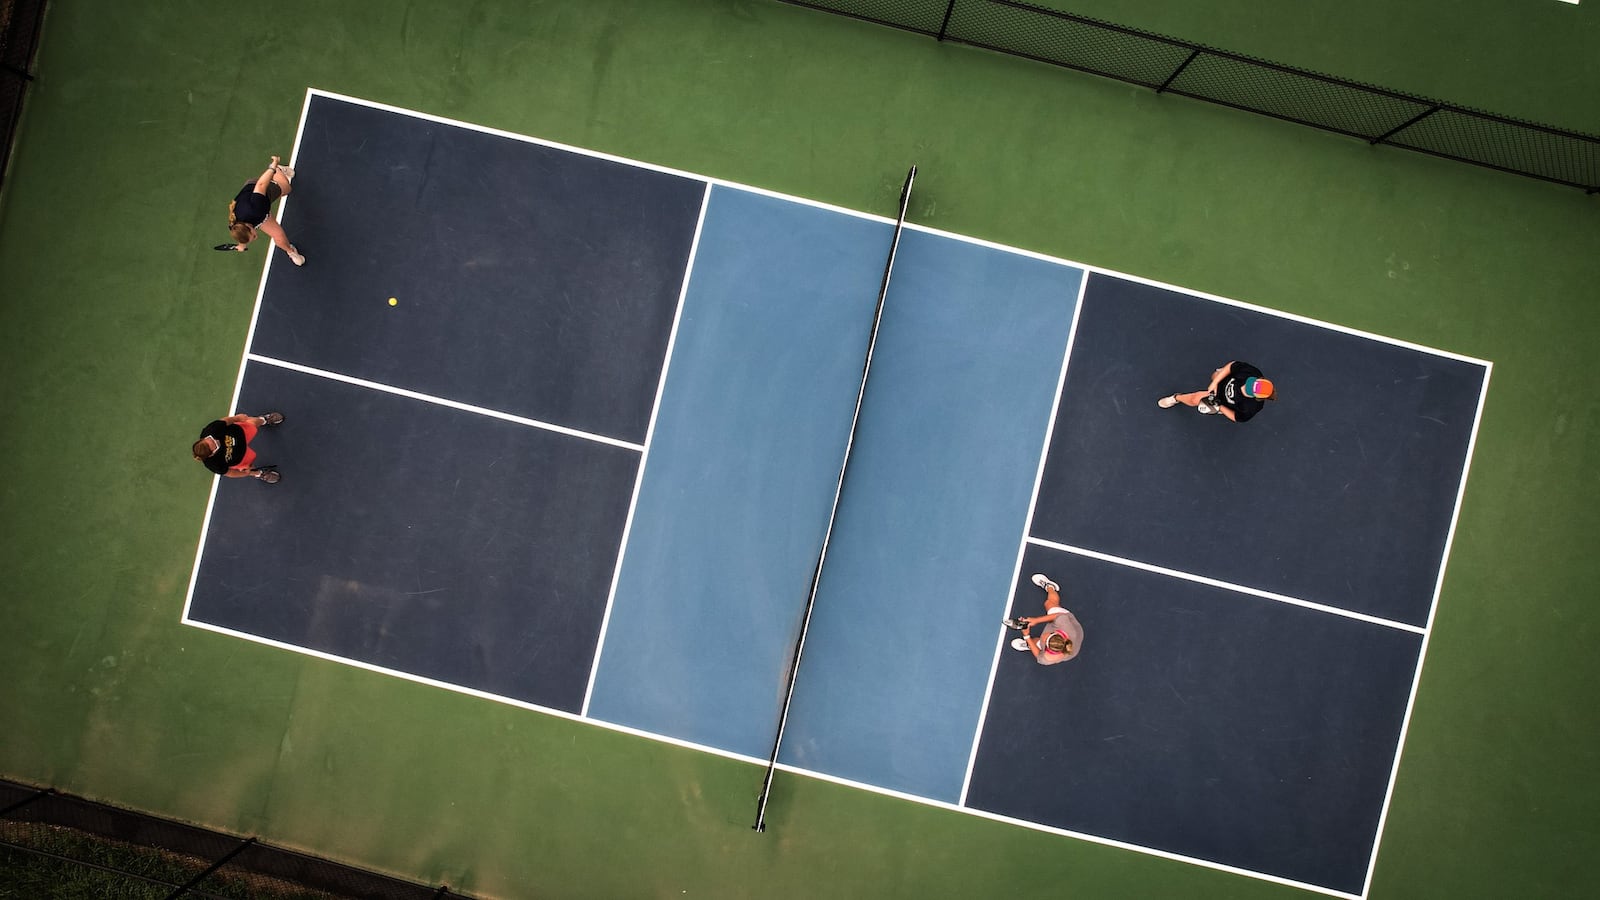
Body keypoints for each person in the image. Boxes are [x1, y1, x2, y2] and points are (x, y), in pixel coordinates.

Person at [226, 155, 304, 265]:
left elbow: (261, 185)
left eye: (253, 236)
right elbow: (241, 235)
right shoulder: (236, 226)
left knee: (287, 188)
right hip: (259, 211)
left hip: (260, 192)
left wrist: (273, 166)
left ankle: (279, 170)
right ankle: (291, 252)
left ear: (248, 227)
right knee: (278, 235)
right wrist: (241, 245)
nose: (255, 237)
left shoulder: (254, 208)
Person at [1157, 360, 1275, 422]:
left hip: (1221, 401)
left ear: (1255, 397)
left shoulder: (1251, 407)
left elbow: (1237, 417)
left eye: (1248, 390)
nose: (1244, 386)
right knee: (1215, 374)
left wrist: (1218, 406)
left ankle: (1175, 398)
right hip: (1221, 382)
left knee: (1195, 399)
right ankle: (1217, 375)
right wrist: (1215, 382)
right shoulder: (1253, 373)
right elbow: (1232, 366)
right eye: (1250, 383)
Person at [1004, 574, 1083, 665]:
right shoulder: (1066, 627)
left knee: (1034, 642)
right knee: (1049, 604)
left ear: (1048, 648)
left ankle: (1029, 645)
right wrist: (1036, 620)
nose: (1044, 636)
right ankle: (1050, 586)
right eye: (1049, 635)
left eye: (1044, 641)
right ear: (1056, 633)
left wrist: (1026, 636)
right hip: (1068, 621)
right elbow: (1057, 616)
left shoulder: (1048, 658)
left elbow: (1038, 655)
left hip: (1060, 632)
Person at [193, 412, 285, 483]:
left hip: (240, 432)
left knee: (253, 422)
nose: (216, 440)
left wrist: (237, 418)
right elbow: (230, 473)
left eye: (211, 439)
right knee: (248, 468)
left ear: (203, 439)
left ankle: (264, 419)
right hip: (240, 457)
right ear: (212, 454)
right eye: (215, 445)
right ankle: (259, 474)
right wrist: (244, 474)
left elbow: (225, 421)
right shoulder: (213, 464)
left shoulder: (210, 430)